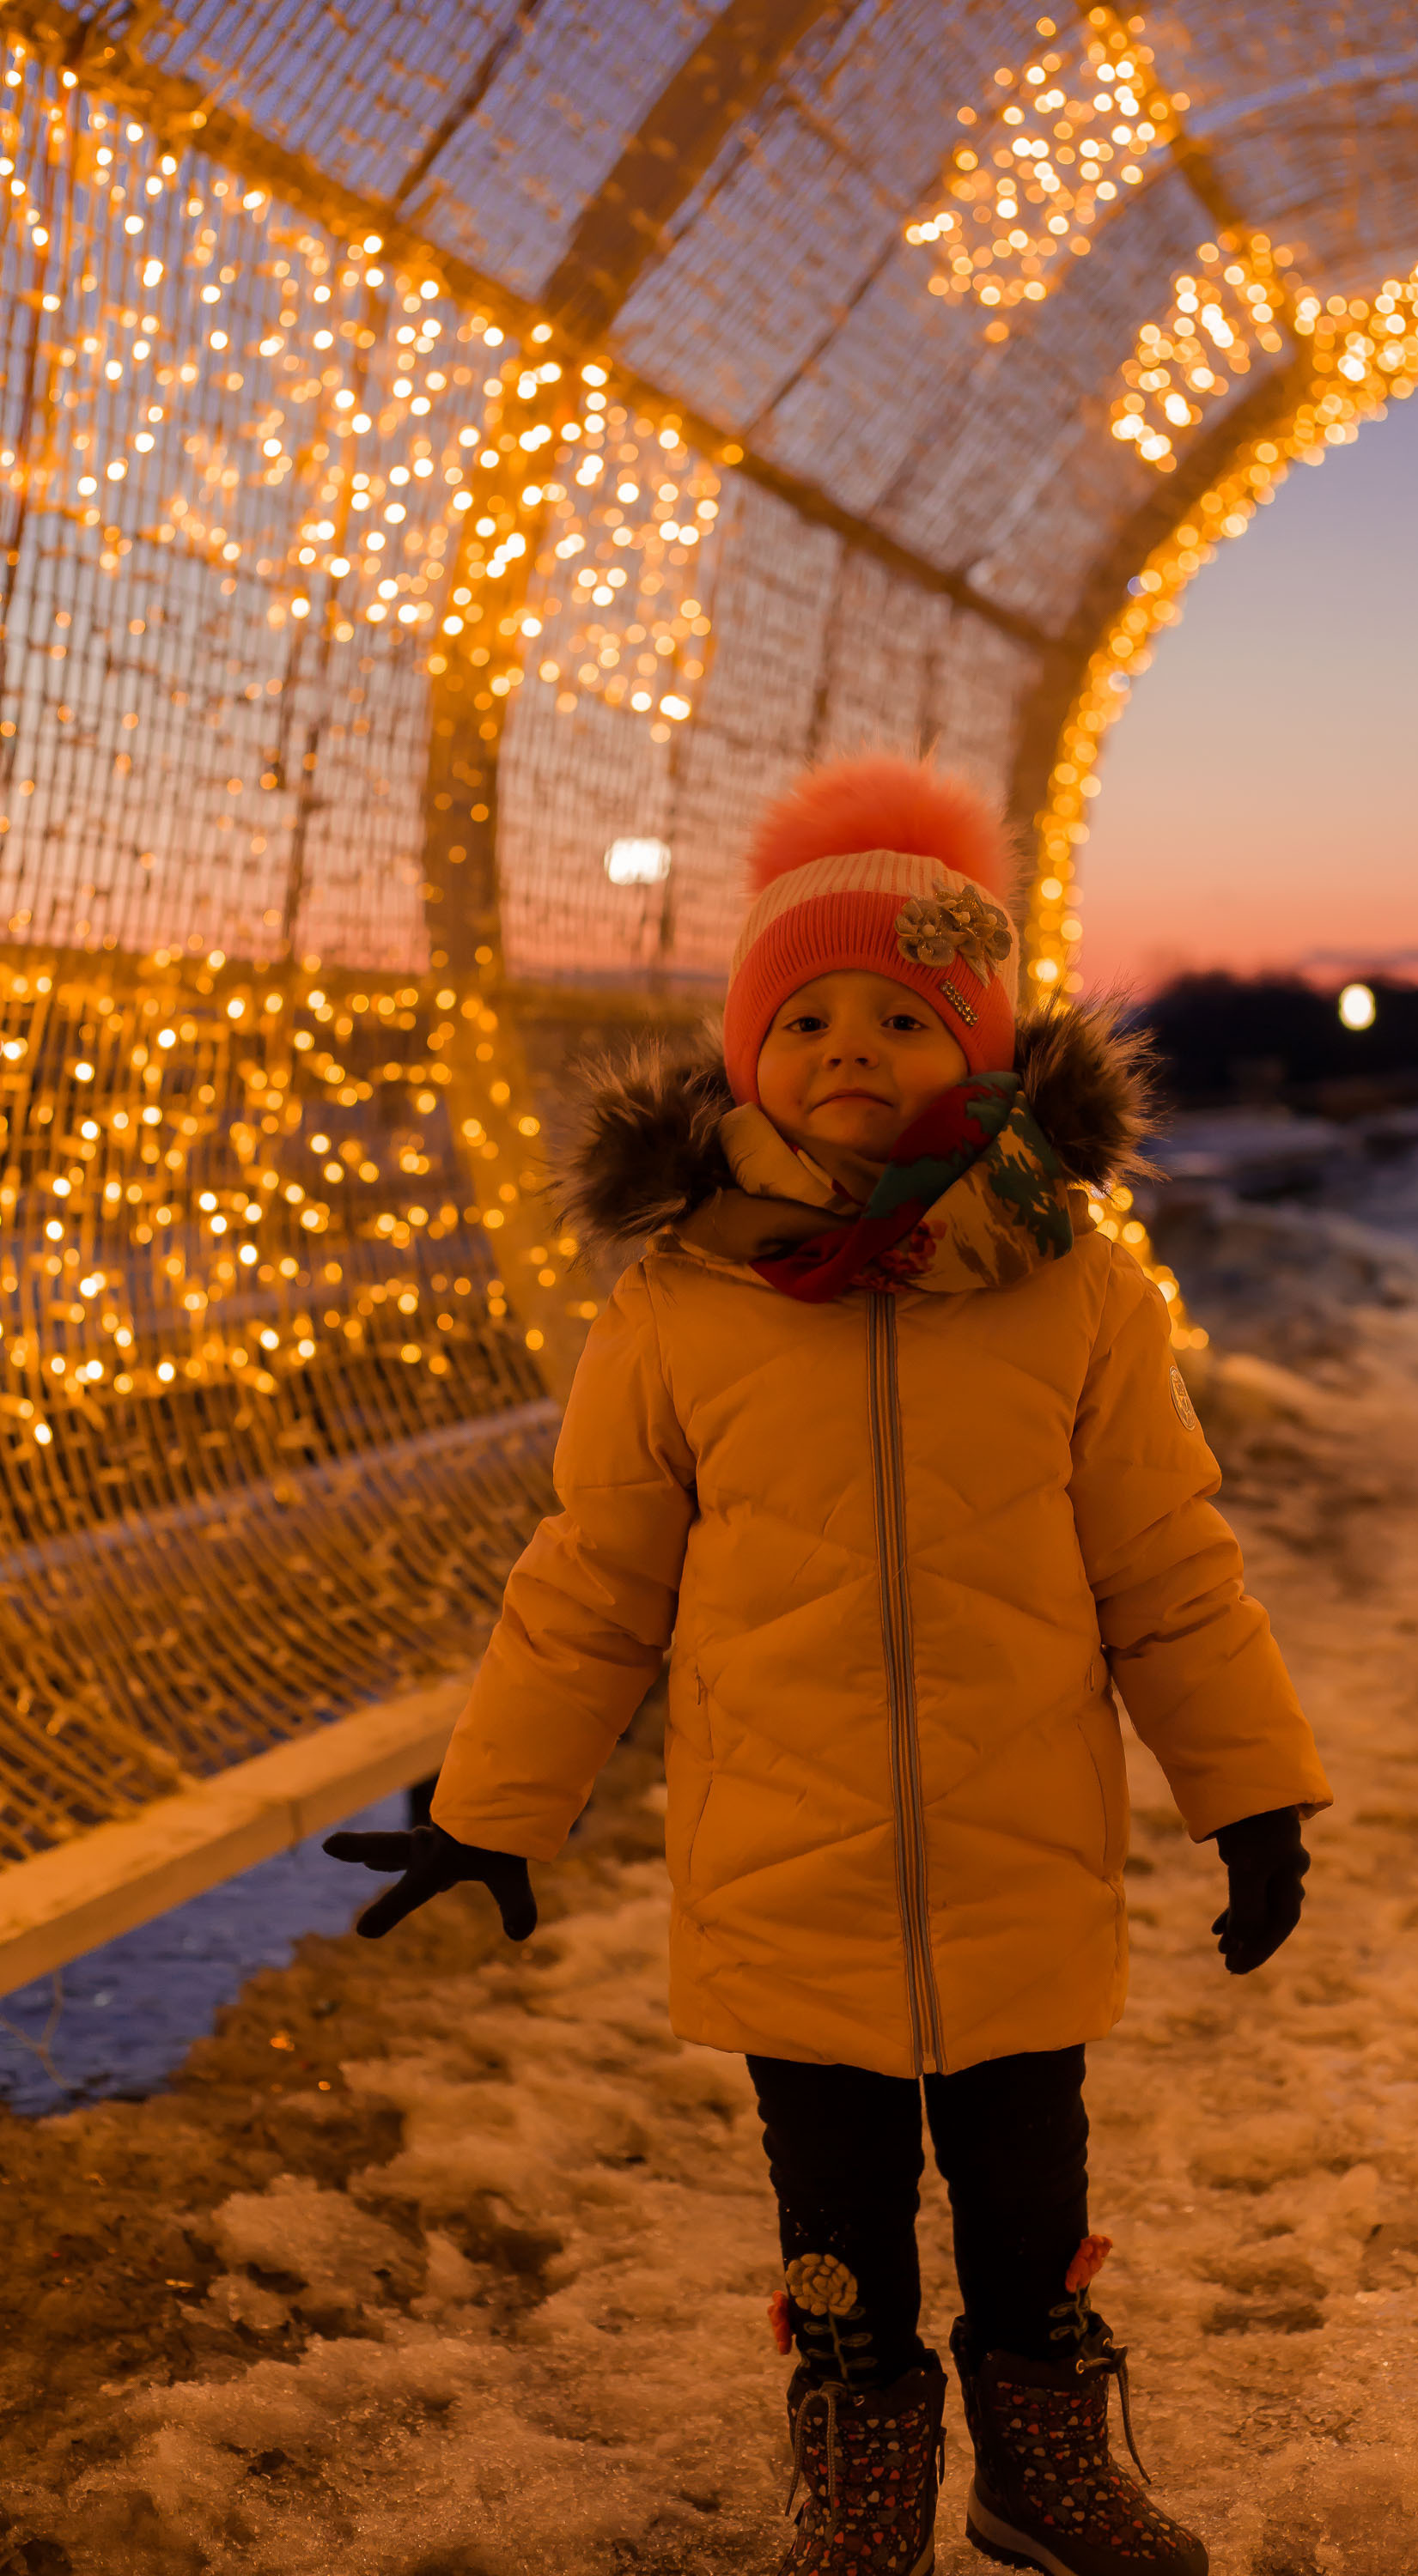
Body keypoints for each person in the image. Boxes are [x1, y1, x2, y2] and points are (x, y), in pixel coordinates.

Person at [330, 756, 1332, 2576]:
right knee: (838, 2220)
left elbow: (1166, 1567)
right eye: (805, 1018)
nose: (849, 1046)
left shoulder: (1075, 1291)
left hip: (1020, 1851)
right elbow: (592, 1579)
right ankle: (859, 2475)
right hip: (785, 1874)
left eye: (901, 1013)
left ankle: (1041, 2462)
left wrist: (1248, 1790)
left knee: (1031, 2196)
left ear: (986, 1049)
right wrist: (492, 1807)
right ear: (742, 1052)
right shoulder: (677, 1305)